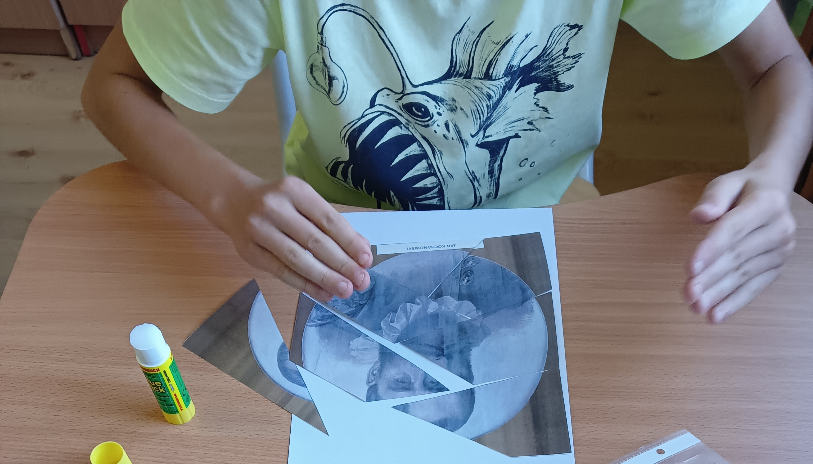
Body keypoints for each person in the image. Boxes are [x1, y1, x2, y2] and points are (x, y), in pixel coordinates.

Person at [82, 1, 813, 324]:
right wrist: (228, 196)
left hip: (559, 229)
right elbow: (114, 87)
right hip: (333, 241)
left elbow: (779, 64)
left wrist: (774, 174)